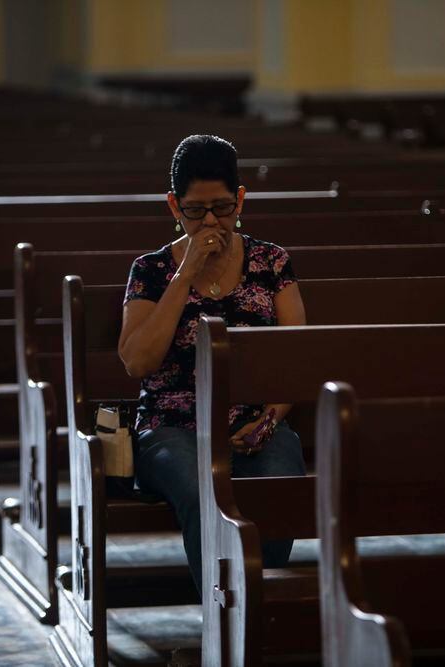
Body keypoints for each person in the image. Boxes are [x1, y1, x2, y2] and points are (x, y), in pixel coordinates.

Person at [118, 134, 307, 591]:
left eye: (222, 208)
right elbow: (137, 362)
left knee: (279, 490)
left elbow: (298, 357)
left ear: (240, 199)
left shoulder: (271, 262)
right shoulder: (151, 271)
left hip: (254, 420)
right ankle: (224, 627)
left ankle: (253, 610)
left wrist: (270, 419)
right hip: (172, 425)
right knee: (201, 491)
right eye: (194, 210)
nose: (209, 222)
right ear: (172, 206)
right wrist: (186, 275)